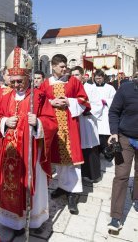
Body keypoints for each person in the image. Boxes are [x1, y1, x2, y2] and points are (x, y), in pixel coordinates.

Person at [0, 47, 57, 236]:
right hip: (11, 154)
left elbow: (52, 122)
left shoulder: (38, 97)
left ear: (28, 77)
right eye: (12, 81)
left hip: (31, 153)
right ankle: (11, 221)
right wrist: (5, 122)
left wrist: (38, 122)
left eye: (19, 81)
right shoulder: (6, 97)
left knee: (31, 185)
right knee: (10, 185)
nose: (16, 85)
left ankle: (34, 219)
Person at [39, 54, 90, 214]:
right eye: (61, 66)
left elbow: (84, 100)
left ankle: (74, 194)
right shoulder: (46, 84)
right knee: (58, 162)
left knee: (72, 162)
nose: (65, 69)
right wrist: (51, 103)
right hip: (54, 127)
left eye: (65, 66)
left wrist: (69, 101)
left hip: (70, 125)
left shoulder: (73, 81)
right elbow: (38, 103)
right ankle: (62, 187)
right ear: (53, 66)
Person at [107, 72, 138, 233]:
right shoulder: (125, 89)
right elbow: (114, 112)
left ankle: (137, 197)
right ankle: (116, 217)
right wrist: (114, 132)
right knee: (121, 176)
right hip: (125, 138)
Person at [71, 66, 102, 182]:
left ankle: (93, 174)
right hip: (76, 122)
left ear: (83, 75)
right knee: (79, 147)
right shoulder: (71, 89)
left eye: (77, 75)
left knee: (90, 147)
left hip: (87, 121)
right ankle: (82, 173)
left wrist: (87, 109)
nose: (75, 77)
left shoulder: (90, 88)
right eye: (73, 75)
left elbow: (98, 104)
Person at [92, 69, 116, 155]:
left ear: (103, 78)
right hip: (95, 114)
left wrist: (106, 101)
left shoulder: (110, 88)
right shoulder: (91, 88)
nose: (98, 80)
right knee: (96, 132)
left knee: (106, 132)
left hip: (105, 113)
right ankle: (97, 151)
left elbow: (115, 100)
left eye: (100, 78)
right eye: (96, 78)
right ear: (94, 78)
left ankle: (107, 151)